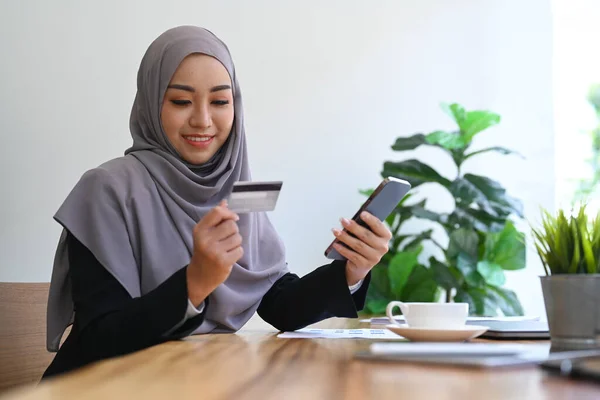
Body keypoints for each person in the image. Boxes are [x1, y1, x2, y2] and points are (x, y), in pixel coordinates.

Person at [42, 26, 391, 379]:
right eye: (181, 101)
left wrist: (351, 272)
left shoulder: (237, 190)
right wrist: (195, 282)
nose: (203, 120)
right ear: (150, 102)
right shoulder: (106, 189)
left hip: (188, 382)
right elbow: (101, 337)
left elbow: (278, 302)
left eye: (220, 101)